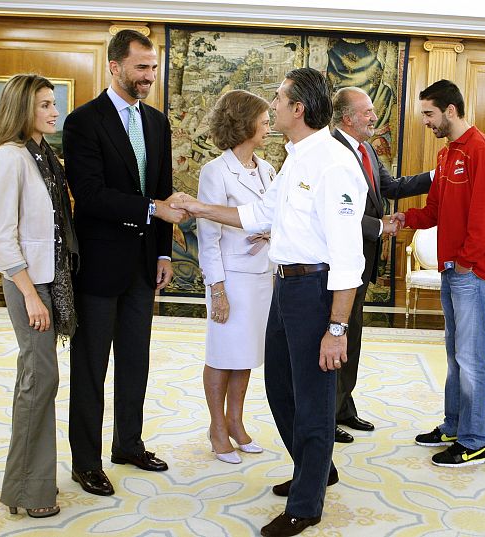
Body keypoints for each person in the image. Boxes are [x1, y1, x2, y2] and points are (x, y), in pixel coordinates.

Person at [172, 68, 367, 537]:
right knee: (281, 388)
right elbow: (257, 214)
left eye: (278, 99)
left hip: (317, 293)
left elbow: (348, 256)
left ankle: (306, 504)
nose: (273, 106)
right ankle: (316, 468)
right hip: (283, 288)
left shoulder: (334, 163)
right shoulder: (296, 157)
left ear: (298, 109)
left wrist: (336, 328)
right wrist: (197, 207)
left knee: (314, 399)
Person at [63, 29, 186, 496]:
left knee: (136, 360)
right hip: (97, 266)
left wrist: (162, 251)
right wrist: (153, 210)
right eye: (141, 68)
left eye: (153, 68)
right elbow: (90, 197)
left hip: (142, 265)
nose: (149, 76)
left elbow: (163, 189)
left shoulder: (156, 122)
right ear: (114, 67)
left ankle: (128, 444)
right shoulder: (82, 122)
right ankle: (85, 461)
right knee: (91, 367)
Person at [391, 79, 485, 467]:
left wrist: (467, 262)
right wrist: (404, 218)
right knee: (456, 355)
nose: (425, 121)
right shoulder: (446, 156)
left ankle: (475, 440)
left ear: (450, 111)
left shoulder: (481, 151)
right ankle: (454, 425)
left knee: (472, 359)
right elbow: (435, 212)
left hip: (472, 272)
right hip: (454, 270)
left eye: (429, 113)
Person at [0, 74, 77, 518]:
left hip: (48, 278)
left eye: (52, 103)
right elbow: (2, 238)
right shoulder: (8, 158)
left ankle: (33, 481)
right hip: (27, 282)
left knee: (43, 379)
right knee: (38, 381)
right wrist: (32, 296)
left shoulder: (44, 156)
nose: (53, 111)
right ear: (23, 108)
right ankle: (26, 489)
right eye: (44, 104)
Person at [330, 87, 432, 443]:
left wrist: (435, 176)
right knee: (335, 337)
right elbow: (333, 215)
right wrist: (378, 227)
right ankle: (328, 416)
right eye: (368, 112)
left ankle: (344, 409)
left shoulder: (368, 150)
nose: (375, 118)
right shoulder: (331, 151)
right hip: (338, 264)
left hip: (362, 261)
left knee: (352, 336)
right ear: (347, 117)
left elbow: (391, 187)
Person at [197, 89, 276, 463]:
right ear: (244, 124)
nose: (269, 127)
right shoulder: (215, 171)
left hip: (262, 277)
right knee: (222, 354)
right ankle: (216, 427)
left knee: (245, 355)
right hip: (230, 278)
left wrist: (271, 231)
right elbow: (208, 234)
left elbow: (276, 217)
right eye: (263, 121)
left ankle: (236, 422)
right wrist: (218, 289)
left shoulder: (268, 169)